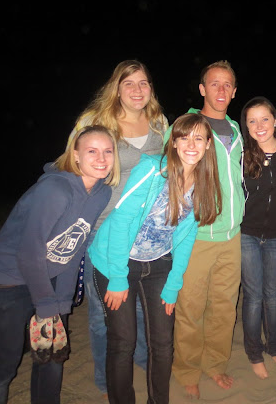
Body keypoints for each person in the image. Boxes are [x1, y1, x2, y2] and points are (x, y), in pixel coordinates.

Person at [0, 126, 118, 404]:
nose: (101, 159)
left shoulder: (101, 193)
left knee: (52, 357)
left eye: (107, 151)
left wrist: (61, 302)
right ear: (75, 155)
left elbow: (74, 250)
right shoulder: (56, 190)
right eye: (92, 151)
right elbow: (29, 253)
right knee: (2, 368)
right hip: (7, 280)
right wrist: (46, 305)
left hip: (48, 276)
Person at [88, 113, 221, 404]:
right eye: (184, 137)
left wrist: (174, 283)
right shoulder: (152, 170)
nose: (191, 145)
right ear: (173, 142)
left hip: (159, 263)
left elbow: (186, 236)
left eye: (199, 138)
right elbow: (121, 220)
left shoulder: (204, 182)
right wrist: (118, 277)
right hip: (116, 261)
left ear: (208, 144)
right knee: (123, 341)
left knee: (162, 343)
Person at [69, 59, 168, 395]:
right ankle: (104, 375)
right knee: (103, 311)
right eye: (129, 83)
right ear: (117, 87)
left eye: (143, 83)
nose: (137, 90)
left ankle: (138, 358)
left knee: (137, 304)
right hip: (103, 230)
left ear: (150, 88)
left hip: (146, 233)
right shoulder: (95, 121)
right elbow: (72, 165)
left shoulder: (159, 123)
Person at [170, 60, 244, 399]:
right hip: (196, 236)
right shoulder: (186, 126)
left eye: (227, 84)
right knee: (190, 307)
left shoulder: (236, 129)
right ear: (202, 89)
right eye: (214, 83)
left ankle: (215, 364)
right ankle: (187, 369)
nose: (221, 90)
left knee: (224, 307)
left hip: (232, 235)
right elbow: (167, 173)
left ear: (234, 91)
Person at [239, 97, 276, 379]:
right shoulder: (242, 155)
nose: (259, 125)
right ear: (246, 126)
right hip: (247, 234)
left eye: (264, 118)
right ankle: (254, 353)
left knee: (272, 295)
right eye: (252, 121)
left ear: (275, 120)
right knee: (253, 296)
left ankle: (274, 347)